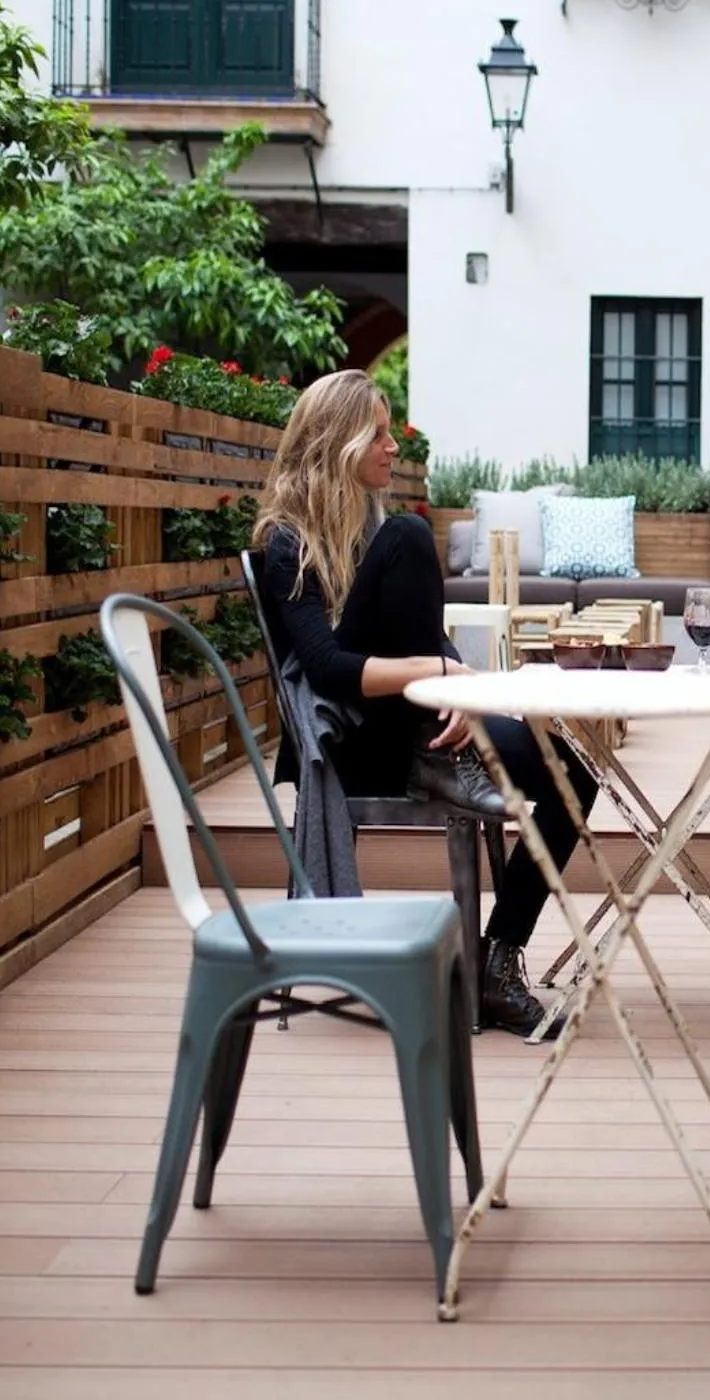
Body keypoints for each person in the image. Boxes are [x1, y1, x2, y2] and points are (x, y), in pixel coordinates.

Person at [254, 369, 597, 1038]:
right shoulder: (287, 541)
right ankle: (433, 751)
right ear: (337, 442)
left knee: (571, 776)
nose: (391, 447)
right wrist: (439, 674)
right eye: (377, 434)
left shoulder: (369, 526)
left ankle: (497, 966)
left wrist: (455, 690)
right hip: (355, 744)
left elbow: (420, 632)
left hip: (414, 724)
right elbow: (327, 670)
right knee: (414, 534)